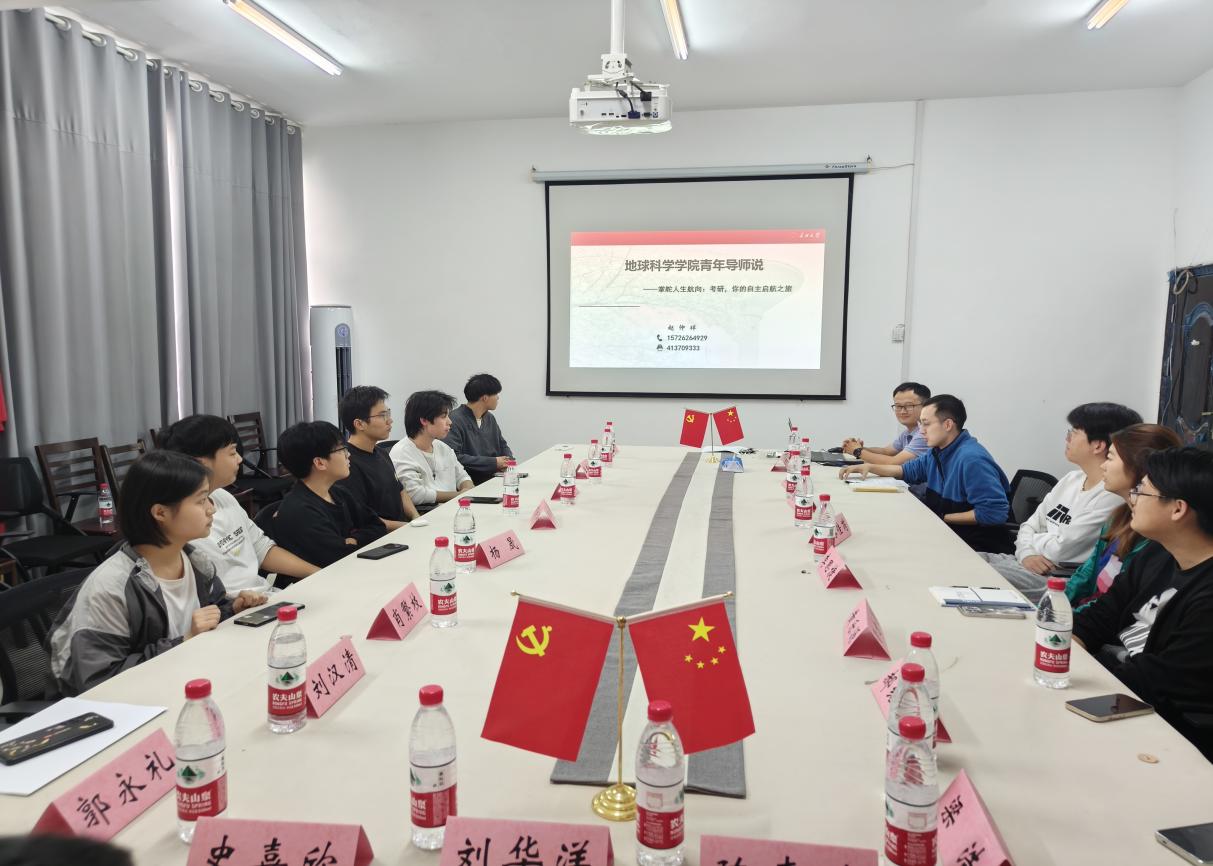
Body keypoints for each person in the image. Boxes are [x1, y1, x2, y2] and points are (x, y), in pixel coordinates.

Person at [48, 452, 267, 696]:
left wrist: (232, 609)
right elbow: (99, 682)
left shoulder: (196, 561)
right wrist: (184, 642)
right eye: (201, 501)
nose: (211, 509)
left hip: (180, 684)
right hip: (118, 708)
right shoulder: (112, 587)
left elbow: (209, 615)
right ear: (160, 513)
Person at [1073, 447, 1213, 760]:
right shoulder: (1157, 553)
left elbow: (1156, 682)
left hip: (1161, 733)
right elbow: (1101, 615)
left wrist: (1073, 677)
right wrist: (1060, 652)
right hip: (1110, 686)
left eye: (1142, 491)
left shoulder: (1207, 598)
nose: (1132, 498)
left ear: (1177, 509)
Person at [978, 402, 1141, 601]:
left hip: (1051, 578)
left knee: (972, 573)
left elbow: (1060, 551)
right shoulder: (1071, 479)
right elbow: (1029, 525)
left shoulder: (1112, 496)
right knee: (963, 558)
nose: (1067, 438)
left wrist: (1034, 541)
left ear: (1098, 445)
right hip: (1024, 560)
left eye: (1074, 432)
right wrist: (1027, 553)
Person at [162, 414, 319, 591]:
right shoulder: (181, 522)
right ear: (202, 462)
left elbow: (262, 550)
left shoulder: (223, 496)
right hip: (231, 606)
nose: (240, 459)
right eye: (232, 452)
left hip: (265, 597)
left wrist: (317, 573)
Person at [840, 394, 1012, 552]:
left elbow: (994, 513)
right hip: (947, 535)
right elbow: (905, 471)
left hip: (977, 547)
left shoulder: (971, 459)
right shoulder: (937, 451)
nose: (921, 430)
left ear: (948, 425)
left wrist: (942, 517)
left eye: (926, 424)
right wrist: (870, 467)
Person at [1066, 424, 1182, 610]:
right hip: (1085, 615)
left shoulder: (1156, 537)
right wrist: (1057, 605)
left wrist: (1068, 617)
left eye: (1110, 458)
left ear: (1137, 467)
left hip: (1099, 620)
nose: (1103, 465)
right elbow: (1086, 574)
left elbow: (1114, 606)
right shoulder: (1117, 517)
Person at [270, 421, 388, 567]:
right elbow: (340, 557)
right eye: (342, 449)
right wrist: (355, 540)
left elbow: (378, 526)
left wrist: (354, 539)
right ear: (320, 463)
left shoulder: (338, 493)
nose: (348, 454)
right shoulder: (300, 511)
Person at [336, 386, 421, 528]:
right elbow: (363, 519)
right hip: (380, 536)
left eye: (388, 413)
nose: (390, 420)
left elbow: (400, 490)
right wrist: (407, 527)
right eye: (382, 416)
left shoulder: (382, 453)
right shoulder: (347, 463)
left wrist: (415, 517)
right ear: (359, 424)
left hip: (403, 528)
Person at [390, 390, 473, 512]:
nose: (450, 422)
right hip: (427, 515)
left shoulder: (442, 447)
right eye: (443, 417)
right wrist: (459, 495)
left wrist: (468, 489)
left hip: (454, 509)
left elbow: (462, 476)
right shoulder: (401, 452)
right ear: (424, 420)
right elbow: (415, 494)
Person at [446, 373, 515, 486]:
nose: (498, 398)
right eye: (496, 394)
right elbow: (453, 457)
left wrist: (509, 462)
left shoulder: (490, 418)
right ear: (485, 398)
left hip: (494, 479)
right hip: (470, 483)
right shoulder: (454, 420)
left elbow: (503, 445)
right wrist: (493, 463)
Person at [841, 382, 931, 466]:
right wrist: (858, 447)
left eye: (909, 406)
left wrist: (857, 451)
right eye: (898, 406)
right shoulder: (907, 433)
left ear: (925, 406)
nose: (902, 411)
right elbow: (886, 451)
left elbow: (893, 462)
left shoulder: (924, 434)